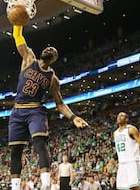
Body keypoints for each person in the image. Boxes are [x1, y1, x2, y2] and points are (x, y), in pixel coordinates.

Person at [9, 25, 89, 190]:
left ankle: (45, 185)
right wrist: (18, 22)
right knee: (15, 151)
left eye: (53, 50)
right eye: (48, 47)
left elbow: (59, 104)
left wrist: (73, 118)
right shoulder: (28, 58)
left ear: (53, 59)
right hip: (17, 110)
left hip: (35, 110)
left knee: (39, 142)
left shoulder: (52, 79)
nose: (50, 48)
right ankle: (15, 187)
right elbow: (17, 36)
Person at [113, 112, 140, 190]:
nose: (119, 117)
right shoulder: (115, 133)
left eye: (122, 115)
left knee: (134, 187)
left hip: (133, 162)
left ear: (127, 119)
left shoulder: (131, 129)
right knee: (122, 188)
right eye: (118, 115)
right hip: (122, 163)